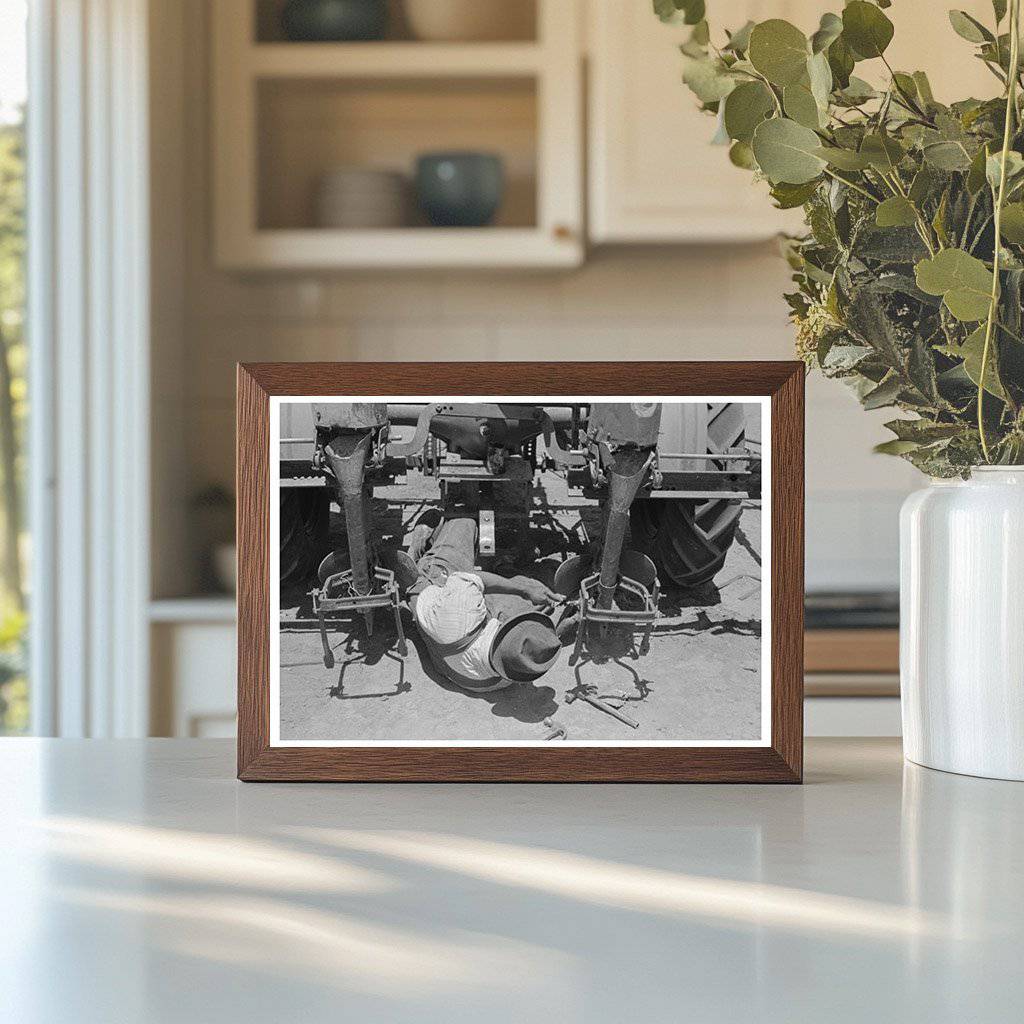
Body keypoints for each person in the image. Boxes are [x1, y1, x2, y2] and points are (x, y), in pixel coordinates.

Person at [391, 513, 563, 693]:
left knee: (465, 521)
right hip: (464, 672)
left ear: (503, 629)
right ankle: (504, 565)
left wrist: (523, 590)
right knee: (543, 589)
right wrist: (526, 590)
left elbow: (474, 578)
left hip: (436, 592)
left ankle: (417, 557)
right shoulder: (506, 677)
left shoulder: (462, 612)